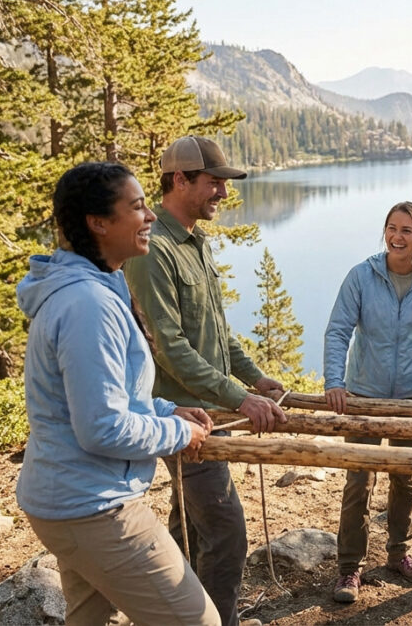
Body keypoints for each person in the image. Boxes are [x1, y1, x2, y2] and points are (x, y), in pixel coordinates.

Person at [16, 162, 220, 625]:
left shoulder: (93, 288)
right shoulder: (88, 305)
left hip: (66, 497)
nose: (150, 217)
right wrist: (176, 433)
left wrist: (167, 407)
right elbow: (101, 428)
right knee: (197, 621)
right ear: (99, 223)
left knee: (91, 617)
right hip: (93, 506)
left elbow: (106, 392)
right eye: (137, 207)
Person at [124, 136, 287, 626]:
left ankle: (175, 617)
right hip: (181, 418)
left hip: (207, 412)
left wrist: (254, 377)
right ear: (180, 179)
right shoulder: (154, 249)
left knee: (187, 530)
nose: (222, 191)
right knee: (225, 531)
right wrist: (240, 398)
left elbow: (216, 329)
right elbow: (169, 347)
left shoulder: (195, 241)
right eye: (214, 182)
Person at [323, 201, 412, 603]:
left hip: (411, 398)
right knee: (359, 481)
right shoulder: (362, 276)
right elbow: (338, 331)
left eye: (407, 230)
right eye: (392, 228)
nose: (397, 237)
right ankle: (349, 569)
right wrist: (335, 382)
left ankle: (398, 553)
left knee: (405, 478)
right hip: (363, 396)